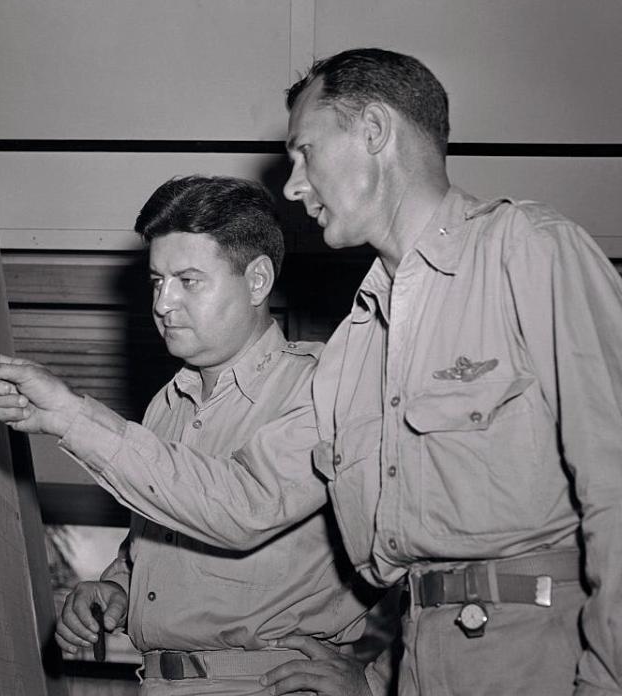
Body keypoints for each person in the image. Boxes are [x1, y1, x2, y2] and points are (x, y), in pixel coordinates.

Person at [262, 47, 622, 696]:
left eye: (304, 151)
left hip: (546, 658)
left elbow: (618, 483)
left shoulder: (529, 249)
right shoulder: (359, 336)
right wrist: (377, 679)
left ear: (373, 131)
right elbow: (247, 498)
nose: (291, 185)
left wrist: (609, 677)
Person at [0, 175, 379, 695]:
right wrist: (117, 586)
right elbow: (169, 525)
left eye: (188, 280)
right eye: (156, 281)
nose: (163, 304)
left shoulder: (323, 385)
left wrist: (379, 680)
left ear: (257, 281)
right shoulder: (165, 405)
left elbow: (243, 507)